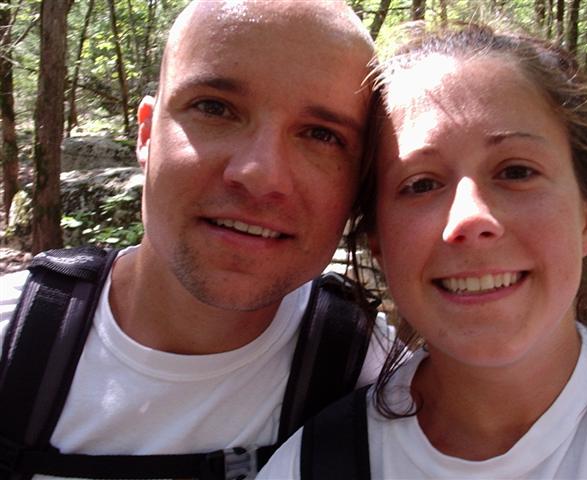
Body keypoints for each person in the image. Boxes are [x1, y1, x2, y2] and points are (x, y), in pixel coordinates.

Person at [0, 0, 389, 477]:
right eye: (215, 108)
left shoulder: (383, 382)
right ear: (147, 133)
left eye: (321, 135)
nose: (260, 175)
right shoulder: (13, 335)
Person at [258, 23, 587, 479]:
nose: (470, 219)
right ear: (377, 243)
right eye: (421, 184)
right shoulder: (311, 465)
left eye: (517, 171)